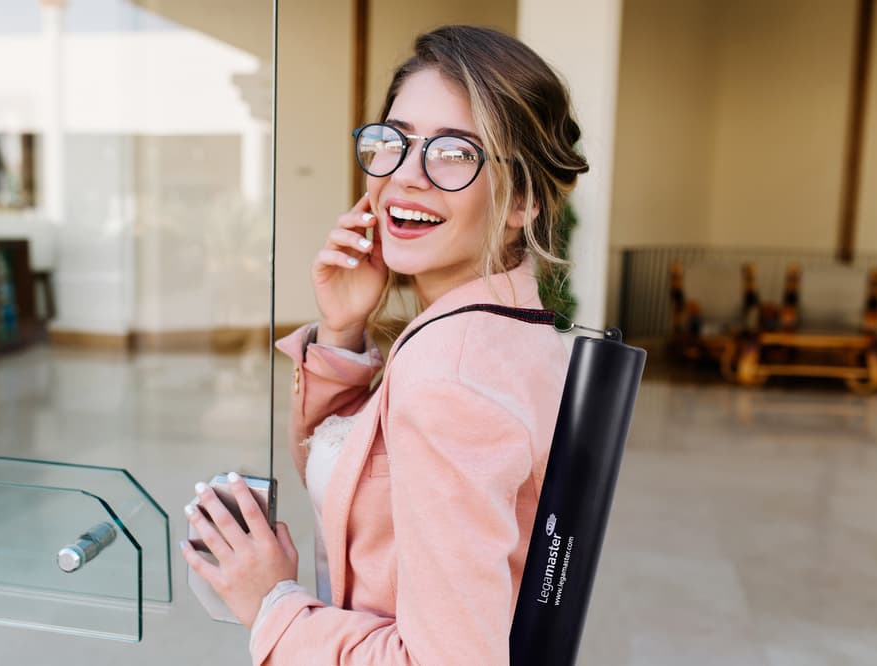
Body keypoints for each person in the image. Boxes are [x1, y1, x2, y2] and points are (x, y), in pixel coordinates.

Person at [181, 24, 589, 664]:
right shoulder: (502, 328)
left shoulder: (448, 375)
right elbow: (368, 478)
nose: (405, 175)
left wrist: (271, 604)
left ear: (524, 200)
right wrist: (343, 327)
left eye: (454, 152)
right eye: (392, 143)